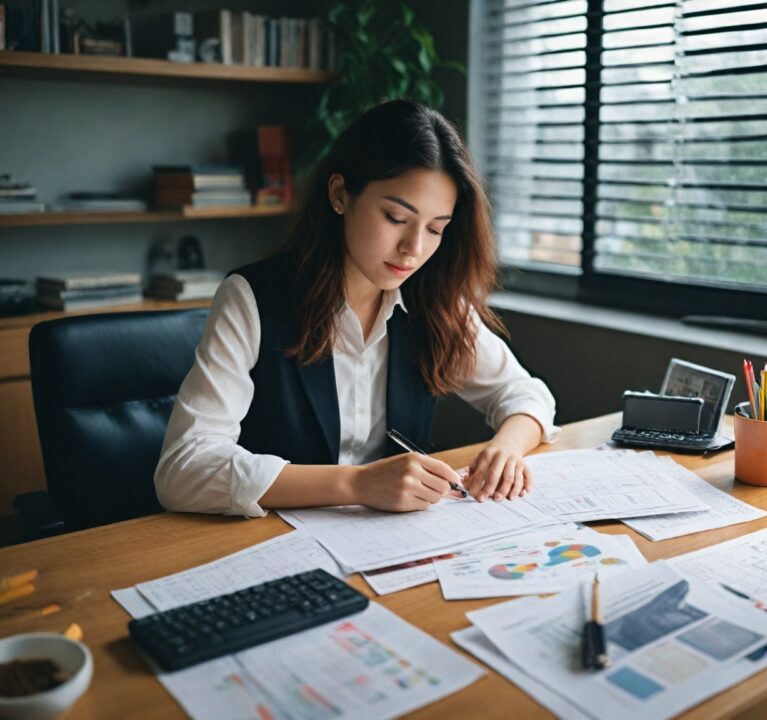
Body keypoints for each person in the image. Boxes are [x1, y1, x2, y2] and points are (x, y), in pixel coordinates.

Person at [154, 99, 558, 517]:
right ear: (340, 194)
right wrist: (356, 484)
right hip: (273, 538)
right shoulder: (251, 297)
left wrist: (506, 449)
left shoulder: (432, 301)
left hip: (390, 542)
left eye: (436, 229)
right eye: (396, 217)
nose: (414, 249)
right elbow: (184, 469)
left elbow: (524, 392)